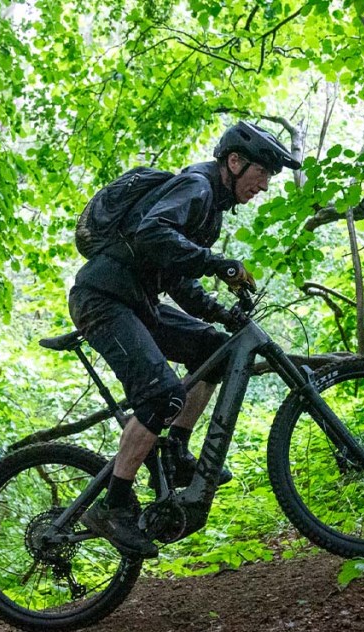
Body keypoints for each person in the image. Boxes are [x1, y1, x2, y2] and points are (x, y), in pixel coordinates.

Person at [69, 121, 301, 559]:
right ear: (234, 162)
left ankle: (174, 449)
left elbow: (175, 277)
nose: (264, 186)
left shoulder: (208, 206)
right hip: (103, 299)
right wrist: (219, 264)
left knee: (213, 350)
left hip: (137, 302)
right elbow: (151, 235)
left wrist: (221, 313)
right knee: (161, 395)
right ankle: (113, 506)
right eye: (262, 175)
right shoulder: (196, 185)